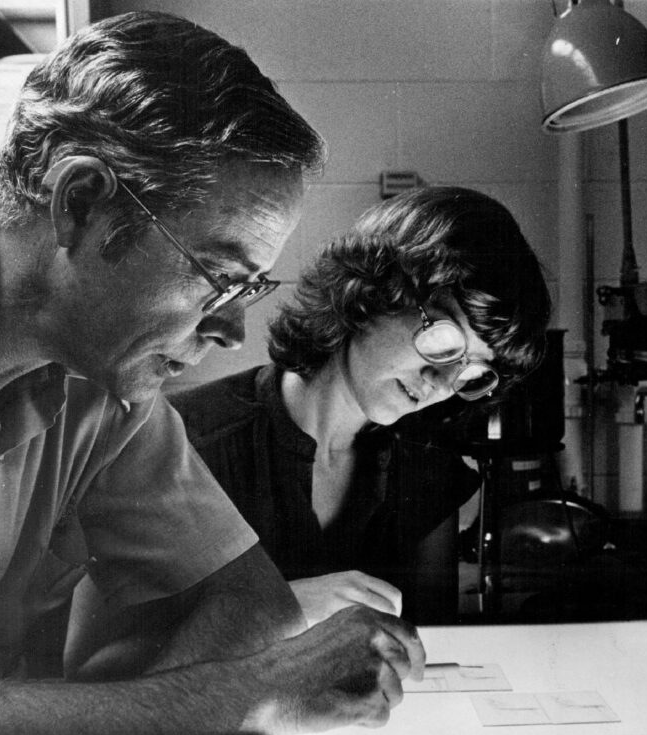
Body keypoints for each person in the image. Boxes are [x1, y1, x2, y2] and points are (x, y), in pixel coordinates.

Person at [0, 11, 426, 735]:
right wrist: (254, 693)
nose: (235, 330)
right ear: (84, 201)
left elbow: (247, 599)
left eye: (249, 290)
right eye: (218, 275)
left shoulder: (103, 374)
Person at [168, 187, 553, 628]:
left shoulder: (428, 473)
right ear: (373, 292)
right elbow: (117, 658)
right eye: (447, 341)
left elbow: (426, 646)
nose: (442, 383)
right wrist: (276, 610)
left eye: (472, 370)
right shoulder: (183, 441)